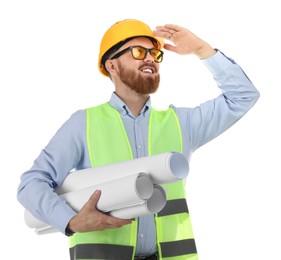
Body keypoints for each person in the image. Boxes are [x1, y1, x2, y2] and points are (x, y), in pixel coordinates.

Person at [17, 19, 260, 260]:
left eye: (154, 53)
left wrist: (202, 50)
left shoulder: (181, 124)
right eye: (138, 52)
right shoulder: (83, 124)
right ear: (112, 65)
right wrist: (69, 220)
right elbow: (32, 182)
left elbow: (243, 96)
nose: (150, 59)